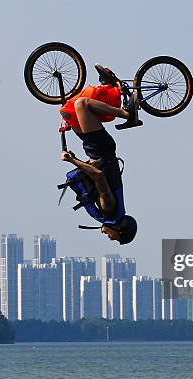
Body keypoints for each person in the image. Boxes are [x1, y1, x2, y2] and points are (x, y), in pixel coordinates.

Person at [58, 65, 138, 244]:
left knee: (67, 111)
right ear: (119, 229)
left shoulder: (108, 214)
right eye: (115, 238)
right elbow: (99, 176)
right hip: (101, 148)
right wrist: (73, 161)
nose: (110, 238)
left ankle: (111, 87)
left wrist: (78, 158)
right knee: (81, 104)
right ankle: (126, 113)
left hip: (92, 147)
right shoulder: (109, 209)